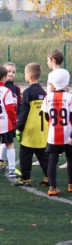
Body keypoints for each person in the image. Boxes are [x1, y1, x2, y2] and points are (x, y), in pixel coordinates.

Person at [11, 63, 49, 187]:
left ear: (30, 76)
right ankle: (49, 177)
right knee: (43, 156)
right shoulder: (43, 92)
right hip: (42, 130)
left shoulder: (27, 92)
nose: (25, 76)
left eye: (26, 74)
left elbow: (24, 112)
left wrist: (19, 128)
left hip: (30, 131)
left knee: (25, 155)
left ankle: (25, 178)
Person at [41, 68, 72, 196]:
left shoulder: (48, 97)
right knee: (70, 159)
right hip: (68, 134)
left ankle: (52, 187)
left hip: (53, 134)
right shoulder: (70, 97)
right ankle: (71, 184)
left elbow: (46, 115)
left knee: (52, 160)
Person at [0, 62, 21, 174]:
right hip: (1, 119)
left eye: (13, 72)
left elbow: (19, 104)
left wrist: (18, 117)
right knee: (2, 142)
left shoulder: (16, 88)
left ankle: (1, 161)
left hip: (12, 119)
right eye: (8, 71)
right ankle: (0, 162)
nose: (11, 74)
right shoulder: (1, 87)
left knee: (8, 141)